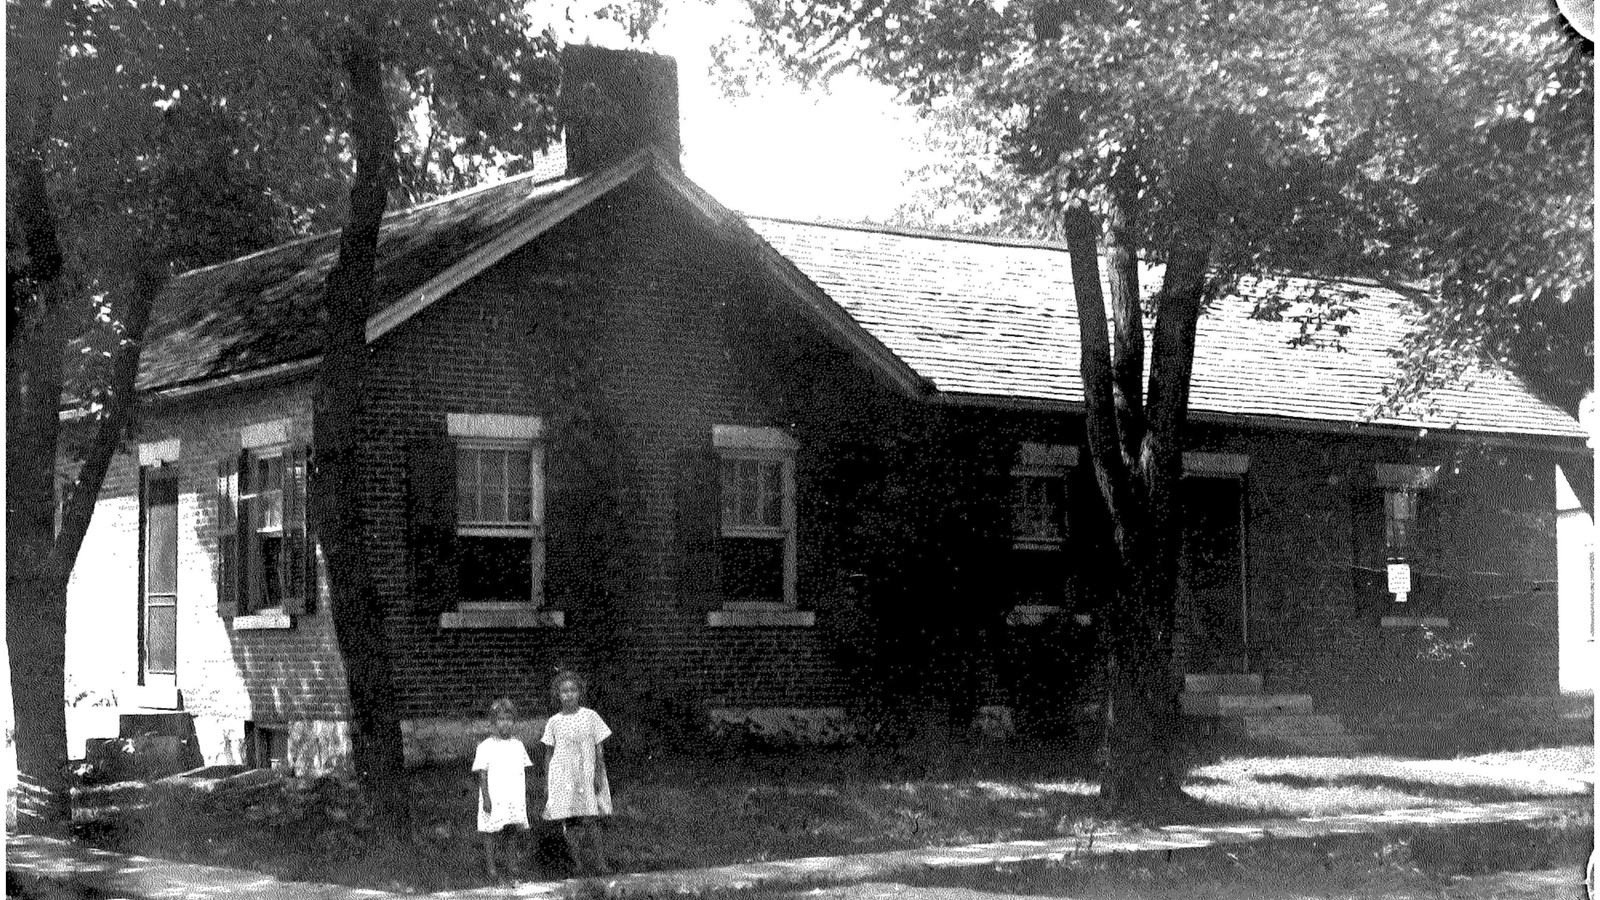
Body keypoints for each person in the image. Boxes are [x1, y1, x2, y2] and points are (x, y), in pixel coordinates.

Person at [541, 670, 613, 876]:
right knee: (570, 820)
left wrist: (598, 775)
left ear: (579, 692)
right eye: (564, 691)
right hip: (564, 777)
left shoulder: (590, 716)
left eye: (573, 690)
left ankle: (600, 863)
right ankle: (577, 864)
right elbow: (549, 753)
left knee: (591, 817)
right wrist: (548, 782)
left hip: (587, 774)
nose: (569, 695)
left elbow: (599, 749)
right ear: (558, 694)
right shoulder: (554, 722)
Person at [473, 697, 533, 882]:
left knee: (511, 829)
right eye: (500, 719)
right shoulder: (485, 747)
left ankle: (511, 863)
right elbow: (482, 774)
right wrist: (487, 798)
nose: (504, 723)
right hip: (494, 795)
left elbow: (520, 773)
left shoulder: (518, 745)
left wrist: (522, 797)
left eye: (508, 718)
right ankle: (491, 866)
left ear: (513, 721)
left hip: (512, 795)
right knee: (491, 830)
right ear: (493, 722)